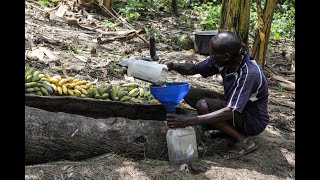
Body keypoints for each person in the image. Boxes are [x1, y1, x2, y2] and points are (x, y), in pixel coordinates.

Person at [159, 31, 269, 160]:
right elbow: (193, 69)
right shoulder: (224, 61)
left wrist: (187, 121)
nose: (210, 56)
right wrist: (172, 66)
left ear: (226, 56)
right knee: (189, 93)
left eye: (213, 53)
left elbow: (230, 110)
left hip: (253, 120)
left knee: (202, 104)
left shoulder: (249, 73)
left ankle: (244, 140)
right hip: (236, 107)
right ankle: (226, 129)